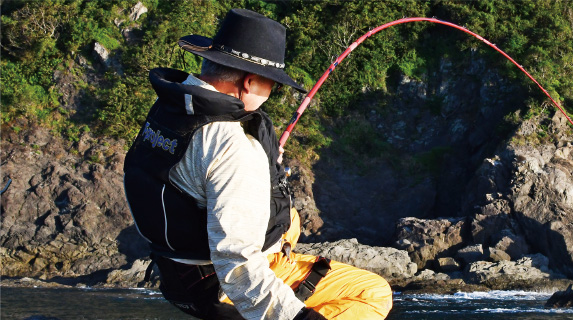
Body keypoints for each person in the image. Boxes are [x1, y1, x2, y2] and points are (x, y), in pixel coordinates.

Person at [123, 9, 392, 320]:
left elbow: (191, 174)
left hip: (178, 272)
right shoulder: (234, 147)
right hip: (221, 286)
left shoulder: (172, 111)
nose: (271, 93)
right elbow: (237, 264)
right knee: (372, 293)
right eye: (272, 85)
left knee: (290, 218)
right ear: (249, 82)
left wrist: (256, 172)